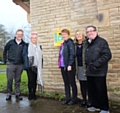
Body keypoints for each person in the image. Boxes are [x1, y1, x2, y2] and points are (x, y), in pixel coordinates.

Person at [85, 26, 112, 113]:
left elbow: (107, 55)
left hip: (99, 71)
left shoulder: (101, 42)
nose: (90, 33)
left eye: (92, 31)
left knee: (101, 90)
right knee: (92, 90)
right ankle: (95, 105)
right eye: (88, 32)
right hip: (90, 71)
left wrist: (96, 64)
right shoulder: (88, 43)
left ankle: (104, 108)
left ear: (96, 31)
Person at [3, 29, 25, 100]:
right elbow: (5, 50)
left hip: (20, 65)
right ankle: (9, 94)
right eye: (18, 34)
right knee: (9, 79)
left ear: (22, 35)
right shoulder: (10, 42)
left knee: (18, 80)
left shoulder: (24, 44)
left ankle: (17, 94)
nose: (19, 35)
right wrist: (5, 60)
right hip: (11, 64)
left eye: (21, 34)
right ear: (16, 35)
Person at [58, 29, 77, 105]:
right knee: (66, 83)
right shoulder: (63, 44)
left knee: (72, 83)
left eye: (65, 34)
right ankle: (68, 98)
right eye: (62, 34)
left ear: (68, 35)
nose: (64, 35)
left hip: (69, 66)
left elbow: (72, 54)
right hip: (63, 66)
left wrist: (69, 64)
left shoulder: (70, 43)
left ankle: (74, 99)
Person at [23, 32, 43, 100]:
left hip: (37, 66)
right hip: (30, 66)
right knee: (30, 80)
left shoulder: (39, 47)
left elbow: (40, 57)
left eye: (35, 38)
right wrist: (27, 65)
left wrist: (40, 65)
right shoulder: (27, 46)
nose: (34, 39)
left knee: (35, 80)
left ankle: (34, 93)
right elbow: (24, 55)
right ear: (30, 39)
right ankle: (30, 93)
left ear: (37, 39)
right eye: (32, 38)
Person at [75, 30, 91, 107]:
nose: (78, 35)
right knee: (82, 84)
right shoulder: (75, 45)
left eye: (80, 34)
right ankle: (84, 99)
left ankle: (90, 100)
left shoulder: (86, 44)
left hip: (86, 67)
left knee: (88, 84)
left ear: (83, 35)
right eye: (77, 34)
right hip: (79, 67)